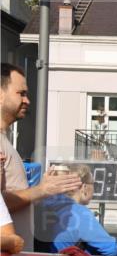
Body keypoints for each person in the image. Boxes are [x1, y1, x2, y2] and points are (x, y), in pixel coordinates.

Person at [2, 62, 81, 246]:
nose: (27, 100)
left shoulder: (5, 142)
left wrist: (42, 192)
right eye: (21, 93)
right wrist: (41, 190)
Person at [35, 163, 117, 256]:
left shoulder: (44, 205)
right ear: (84, 187)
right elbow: (111, 249)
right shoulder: (79, 213)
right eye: (93, 183)